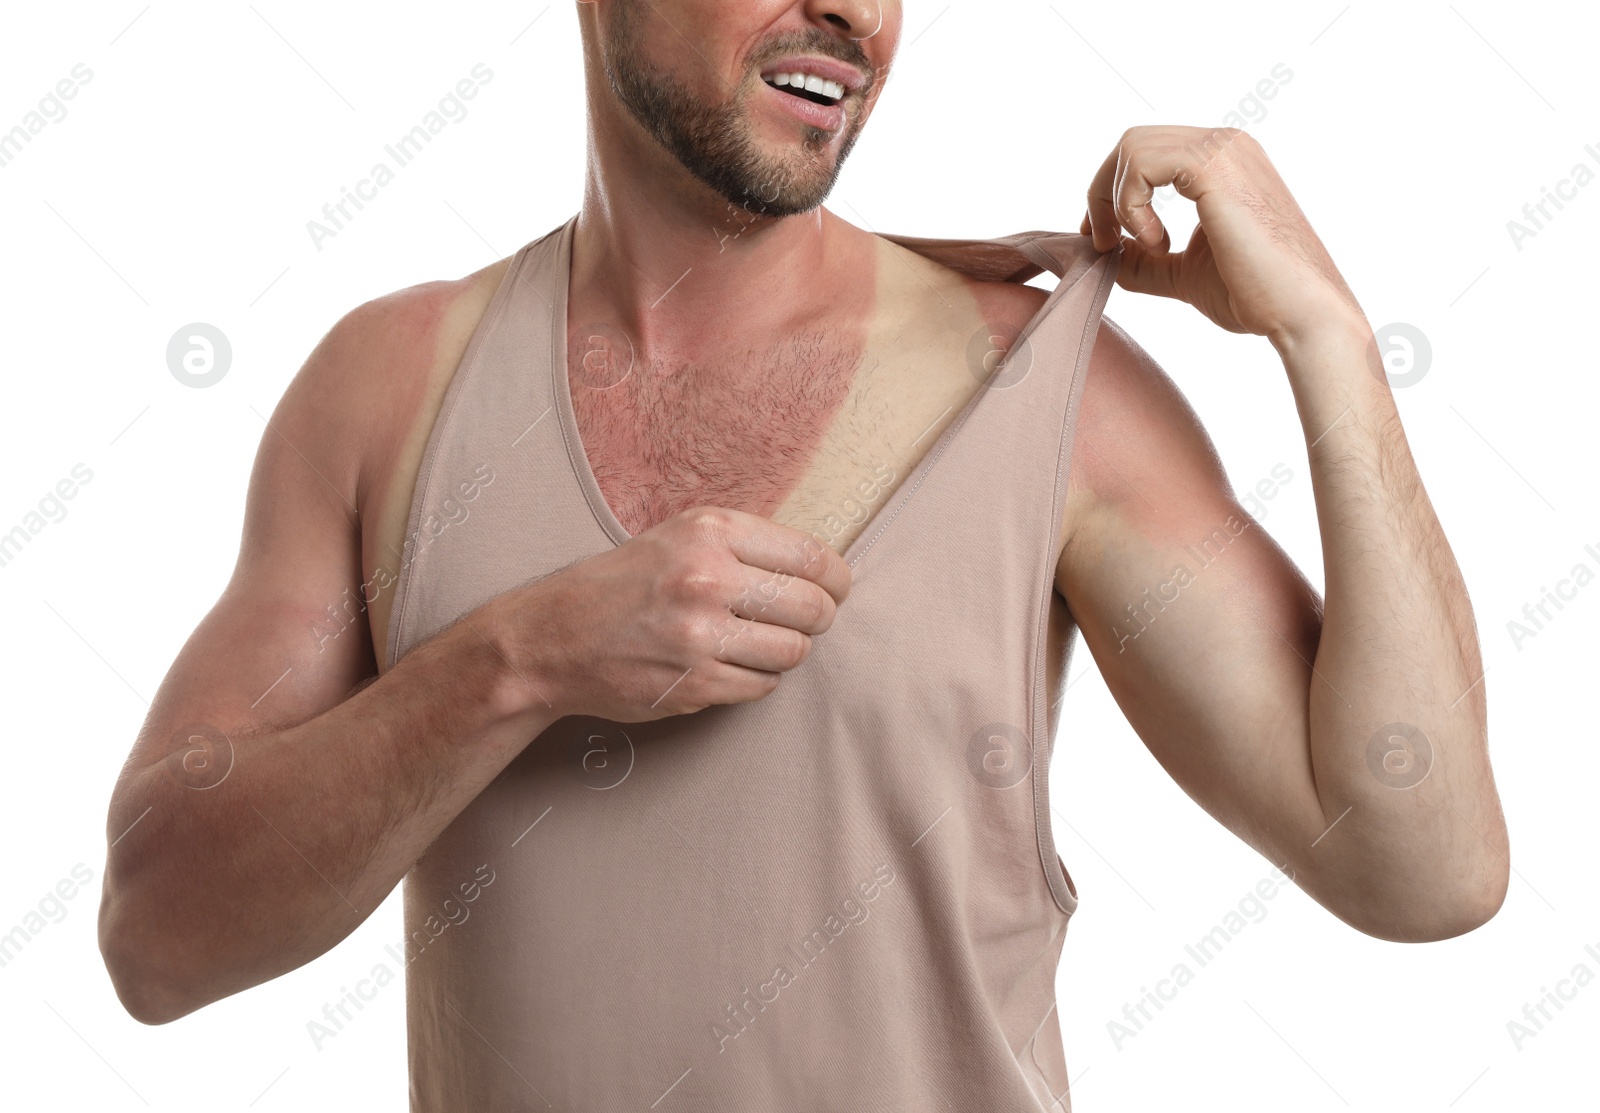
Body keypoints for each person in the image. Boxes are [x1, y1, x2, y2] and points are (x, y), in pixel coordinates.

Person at [98, 1, 1509, 1108]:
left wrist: (1330, 339)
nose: (855, 13)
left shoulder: (1049, 395)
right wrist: (512, 662)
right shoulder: (387, 387)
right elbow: (157, 933)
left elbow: (1424, 867)